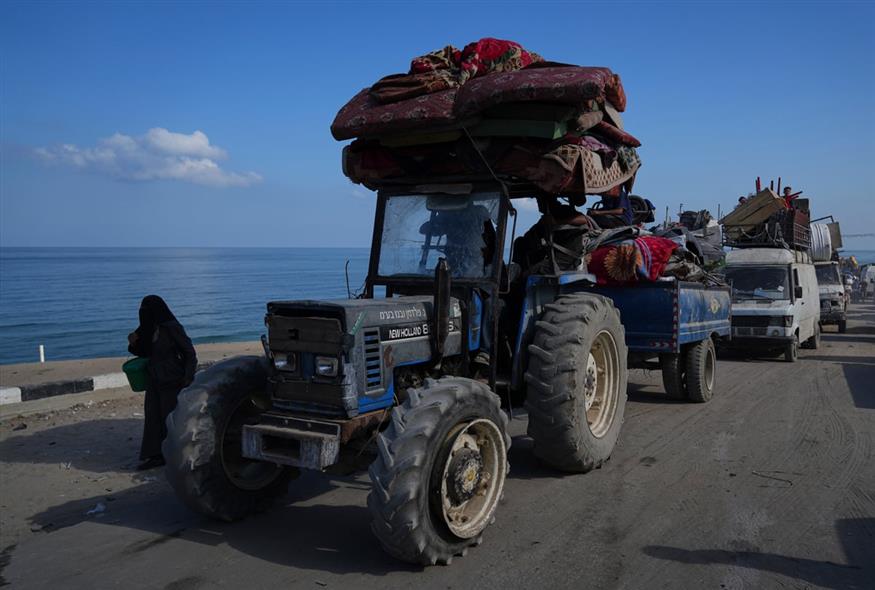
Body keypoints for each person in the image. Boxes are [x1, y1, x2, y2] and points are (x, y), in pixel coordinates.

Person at [127, 295, 197, 470]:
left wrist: (188, 377)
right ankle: (156, 454)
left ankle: (177, 453)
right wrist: (133, 342)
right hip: (154, 379)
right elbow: (142, 351)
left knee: (170, 417)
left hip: (173, 379)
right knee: (153, 417)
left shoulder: (172, 328)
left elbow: (189, 352)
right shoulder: (146, 328)